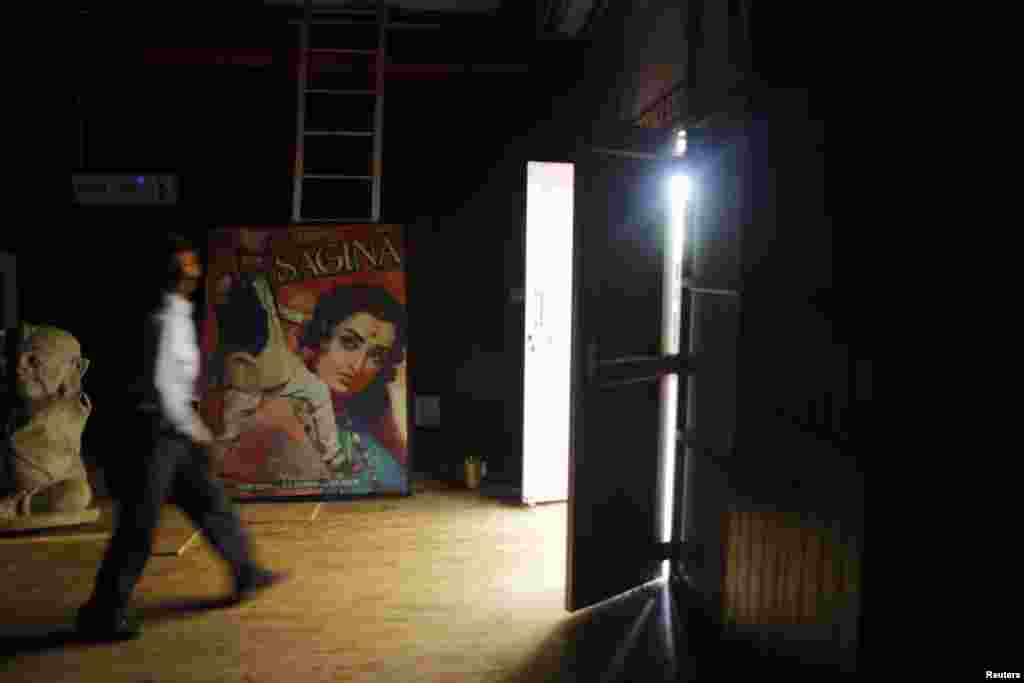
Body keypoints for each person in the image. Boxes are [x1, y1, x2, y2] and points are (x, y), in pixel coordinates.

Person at [76, 234, 287, 641]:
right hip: (151, 432)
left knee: (209, 501)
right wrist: (195, 429)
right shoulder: (155, 316)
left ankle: (246, 571)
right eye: (183, 265)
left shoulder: (175, 309)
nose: (191, 270)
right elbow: (160, 385)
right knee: (138, 525)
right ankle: (103, 613)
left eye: (191, 263)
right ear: (168, 272)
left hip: (170, 429)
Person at [298, 284, 408, 490]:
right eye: (348, 342)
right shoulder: (278, 416)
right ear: (322, 337)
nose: (357, 365)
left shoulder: (361, 431)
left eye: (376, 356)